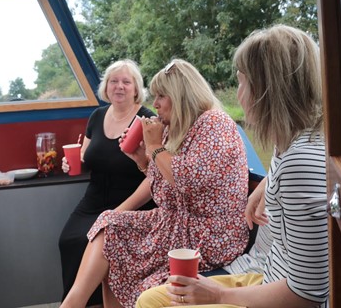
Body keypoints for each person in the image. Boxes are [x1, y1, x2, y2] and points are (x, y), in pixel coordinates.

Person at [136, 25, 329, 308]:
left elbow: (307, 295)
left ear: (266, 91)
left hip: (276, 294)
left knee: (154, 303)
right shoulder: (288, 145)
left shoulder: (300, 164)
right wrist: (262, 188)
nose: (238, 95)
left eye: (242, 82)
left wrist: (219, 295)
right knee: (153, 297)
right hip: (266, 276)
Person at [60, 58, 250, 308]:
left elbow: (186, 180)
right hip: (176, 223)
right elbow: (164, 193)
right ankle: (73, 303)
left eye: (162, 96)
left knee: (116, 243)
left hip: (210, 234)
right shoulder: (177, 128)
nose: (155, 104)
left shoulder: (215, 124)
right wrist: (142, 160)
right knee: (110, 224)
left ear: (181, 95)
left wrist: (154, 146)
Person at [58, 59, 156, 306]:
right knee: (69, 240)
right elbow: (85, 155)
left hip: (132, 202)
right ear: (106, 87)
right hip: (94, 198)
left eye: (126, 81)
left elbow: (155, 176)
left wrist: (118, 212)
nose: (119, 86)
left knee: (90, 242)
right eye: (114, 81)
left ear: (136, 88)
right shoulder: (97, 115)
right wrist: (69, 164)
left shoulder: (147, 120)